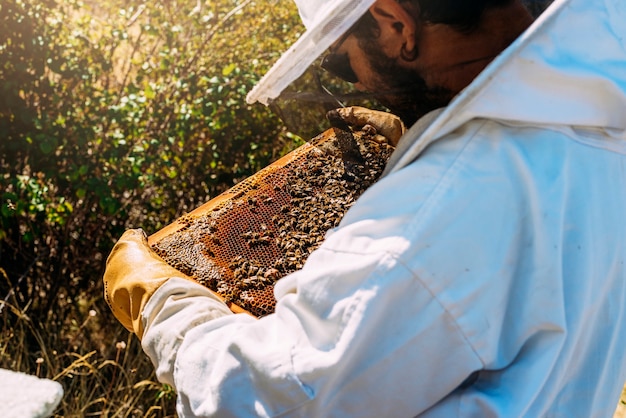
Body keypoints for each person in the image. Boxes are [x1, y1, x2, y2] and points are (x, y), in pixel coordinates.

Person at [103, 0, 626, 416]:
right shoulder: (595, 112)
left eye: (337, 56)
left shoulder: (432, 215)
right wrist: (428, 142)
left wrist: (167, 306)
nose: (352, 80)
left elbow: (264, 399)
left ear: (395, 22)